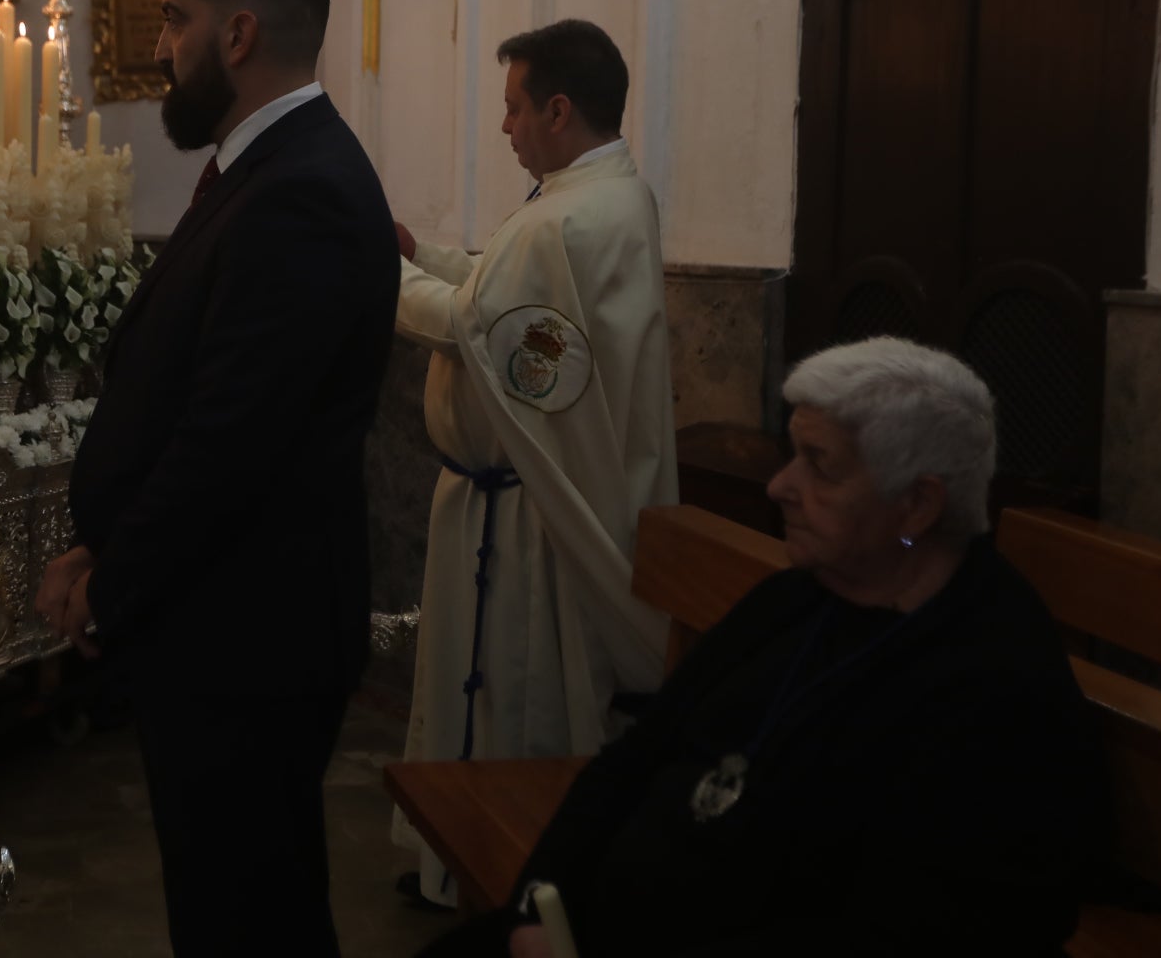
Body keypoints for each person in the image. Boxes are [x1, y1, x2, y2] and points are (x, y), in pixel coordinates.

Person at [422, 338, 1112, 957]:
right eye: (792, 457)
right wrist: (537, 905)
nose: (781, 487)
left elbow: (909, 931)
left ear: (917, 506)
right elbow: (634, 758)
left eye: (819, 467)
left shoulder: (996, 683)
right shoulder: (798, 599)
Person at [34, 0, 399, 957]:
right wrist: (102, 543)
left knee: (250, 914)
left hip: (249, 627)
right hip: (227, 612)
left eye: (173, 18)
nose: (157, 46)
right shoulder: (266, 171)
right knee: (235, 897)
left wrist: (118, 578)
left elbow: (231, 441)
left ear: (237, 33)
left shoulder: (302, 192)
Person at [390, 19, 677, 908]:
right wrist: (423, 258)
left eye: (515, 108)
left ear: (558, 108)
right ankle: (469, 860)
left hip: (523, 513)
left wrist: (373, 273)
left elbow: (475, 329)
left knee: (510, 689)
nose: (506, 127)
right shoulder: (604, 195)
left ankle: (489, 870)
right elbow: (500, 298)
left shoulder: (563, 218)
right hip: (524, 496)